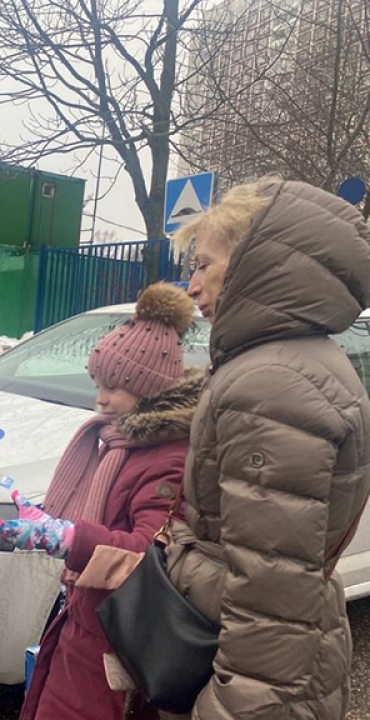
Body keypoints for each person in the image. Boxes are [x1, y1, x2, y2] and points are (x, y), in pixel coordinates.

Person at [162, 178, 370, 719]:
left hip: (257, 687)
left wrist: (227, 710)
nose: (191, 287)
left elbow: (270, 594)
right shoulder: (287, 360)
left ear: (256, 263)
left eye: (203, 264)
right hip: (285, 664)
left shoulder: (273, 384)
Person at [0, 282, 203, 720]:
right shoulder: (121, 440)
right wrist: (52, 525)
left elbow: (149, 555)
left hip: (117, 639)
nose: (100, 398)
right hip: (85, 620)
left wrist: (69, 538)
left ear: (150, 390)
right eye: (97, 383)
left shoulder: (166, 459)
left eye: (115, 388)